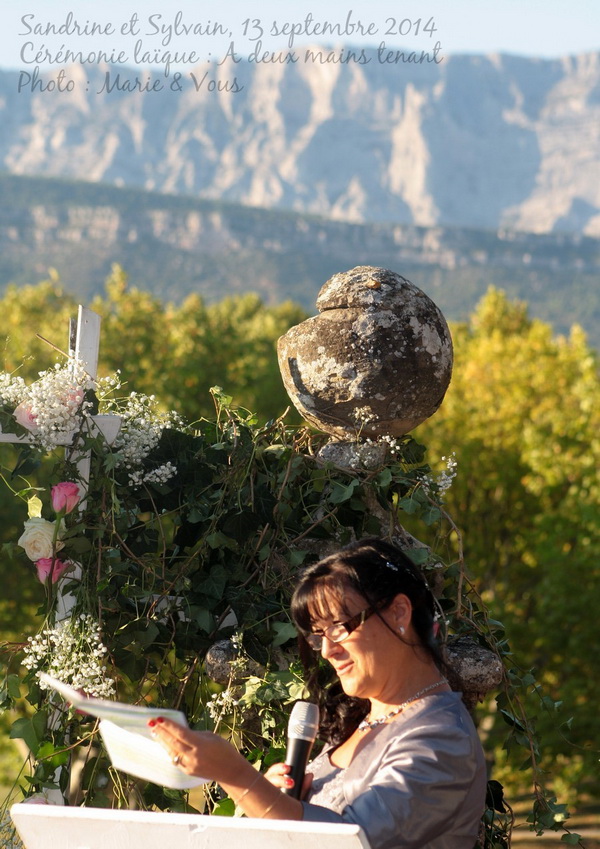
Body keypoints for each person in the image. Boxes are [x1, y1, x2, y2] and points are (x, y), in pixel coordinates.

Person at [149, 538, 487, 848]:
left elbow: (350, 841)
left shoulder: (442, 737)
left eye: (339, 627)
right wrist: (272, 800)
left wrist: (237, 776)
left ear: (399, 612)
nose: (326, 650)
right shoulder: (366, 720)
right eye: (317, 635)